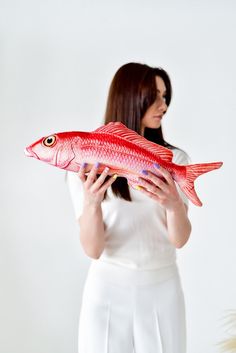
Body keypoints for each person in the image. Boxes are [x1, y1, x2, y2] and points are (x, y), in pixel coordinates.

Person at [66, 62, 192, 353]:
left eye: (165, 96)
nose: (164, 105)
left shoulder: (176, 160)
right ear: (130, 98)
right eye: (155, 95)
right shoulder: (86, 165)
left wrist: (174, 204)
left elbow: (180, 239)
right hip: (107, 290)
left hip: (163, 288)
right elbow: (93, 250)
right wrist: (91, 202)